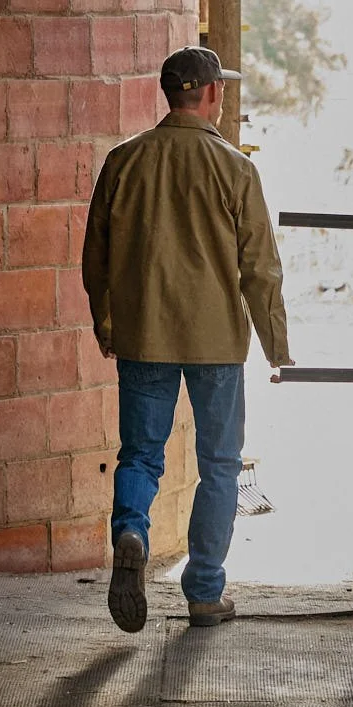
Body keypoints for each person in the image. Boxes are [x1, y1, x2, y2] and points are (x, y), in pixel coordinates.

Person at [82, 45, 293, 633]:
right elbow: (260, 267)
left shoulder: (123, 160)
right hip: (217, 344)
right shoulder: (236, 168)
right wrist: (277, 345)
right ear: (211, 93)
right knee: (220, 465)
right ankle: (204, 594)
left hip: (142, 335)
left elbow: (94, 256)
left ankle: (130, 531)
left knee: (141, 455)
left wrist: (107, 323)